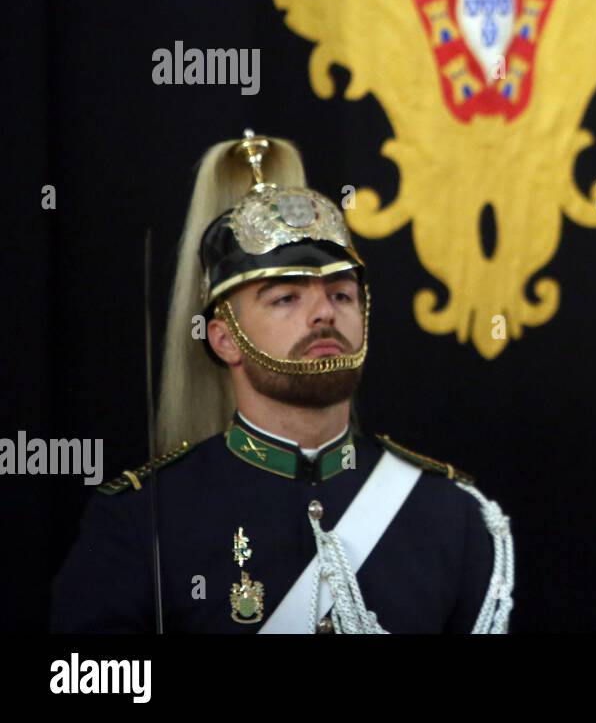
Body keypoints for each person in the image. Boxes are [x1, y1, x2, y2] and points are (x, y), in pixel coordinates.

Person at [51, 130, 513, 633]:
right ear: (225, 340)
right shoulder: (144, 520)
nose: (323, 314)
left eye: (341, 295)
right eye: (286, 298)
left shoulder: (451, 514)